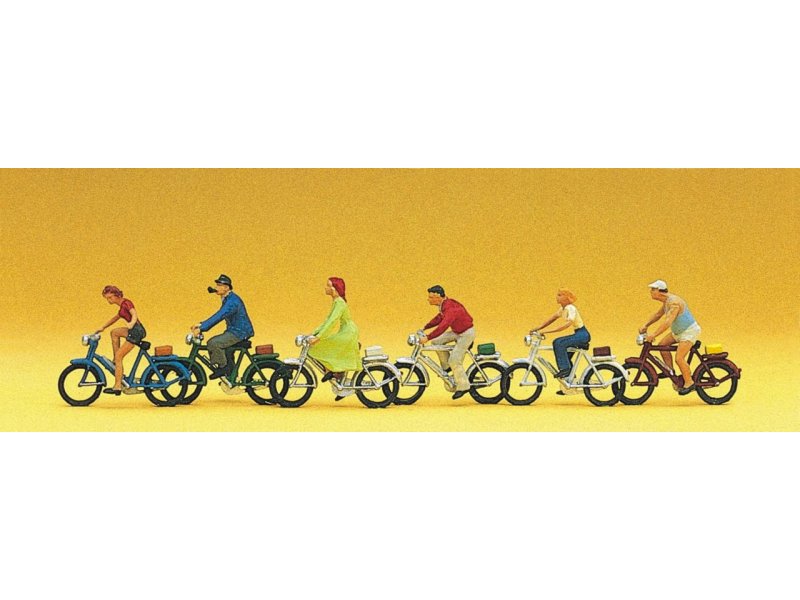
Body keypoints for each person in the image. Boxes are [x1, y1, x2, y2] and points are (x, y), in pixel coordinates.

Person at [639, 279, 701, 395]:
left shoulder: (674, 303)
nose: (651, 292)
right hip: (678, 332)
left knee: (679, 358)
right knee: (662, 346)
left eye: (653, 289)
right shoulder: (667, 301)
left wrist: (654, 334)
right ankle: (669, 371)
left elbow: (668, 322)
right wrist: (646, 325)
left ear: (660, 291)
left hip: (688, 332)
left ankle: (689, 382)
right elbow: (658, 315)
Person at [190, 274, 255, 380]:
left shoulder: (232, 302)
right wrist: (201, 324)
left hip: (239, 332)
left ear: (226, 287)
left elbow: (220, 315)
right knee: (226, 350)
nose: (216, 287)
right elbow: (219, 315)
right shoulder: (228, 298)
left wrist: (202, 327)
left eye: (219, 285)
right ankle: (231, 376)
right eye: (217, 285)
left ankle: (223, 368)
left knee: (214, 343)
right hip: (234, 330)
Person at [419, 285, 475, 400]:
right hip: (457, 331)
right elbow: (439, 318)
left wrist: (427, 337)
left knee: (455, 360)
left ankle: (463, 386)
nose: (428, 299)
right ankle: (447, 366)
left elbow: (443, 326)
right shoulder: (443, 305)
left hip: (466, 334)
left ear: (438, 296)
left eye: (431, 297)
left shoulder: (450, 308)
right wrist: (425, 327)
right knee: (436, 342)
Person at [307, 277, 360, 400]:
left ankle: (333, 372)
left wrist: (318, 337)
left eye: (328, 285)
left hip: (349, 333)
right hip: (346, 331)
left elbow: (332, 322)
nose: (325, 288)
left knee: (323, 345)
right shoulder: (336, 301)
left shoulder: (339, 303)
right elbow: (327, 321)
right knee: (325, 345)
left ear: (334, 289)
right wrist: (314, 333)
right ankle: (335, 373)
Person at [94, 285, 147, 395]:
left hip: (136, 331)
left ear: (117, 295)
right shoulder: (122, 307)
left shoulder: (127, 303)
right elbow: (115, 318)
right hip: (133, 330)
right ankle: (115, 359)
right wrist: (103, 327)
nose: (109, 300)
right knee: (114, 332)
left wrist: (132, 323)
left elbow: (134, 314)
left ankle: (117, 386)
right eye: (107, 298)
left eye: (110, 297)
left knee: (119, 357)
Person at [530, 289, 590, 380]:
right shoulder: (563, 309)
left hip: (582, 335)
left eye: (560, 295)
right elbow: (551, 319)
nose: (557, 297)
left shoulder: (571, 308)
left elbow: (567, 324)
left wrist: (547, 331)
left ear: (566, 298)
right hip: (579, 334)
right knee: (564, 351)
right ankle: (569, 376)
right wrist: (537, 328)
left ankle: (565, 370)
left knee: (558, 342)